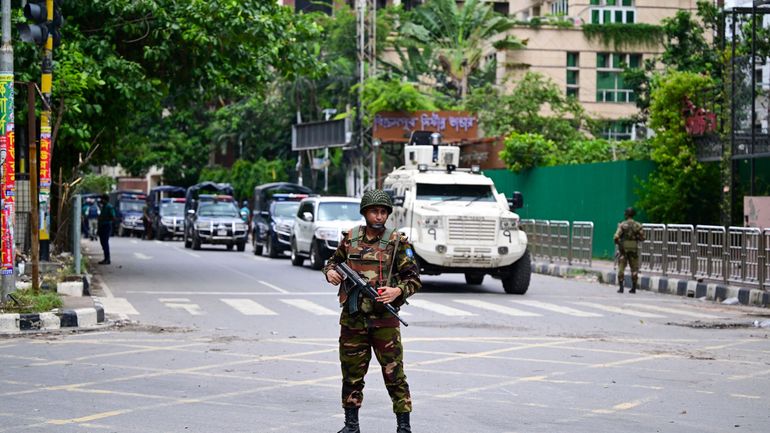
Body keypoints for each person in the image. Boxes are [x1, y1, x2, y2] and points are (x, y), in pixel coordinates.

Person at [323, 189, 420, 433]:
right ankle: (351, 425)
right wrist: (330, 273)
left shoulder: (398, 241)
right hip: (353, 320)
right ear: (365, 212)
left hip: (384, 321)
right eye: (374, 211)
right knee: (351, 373)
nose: (379, 216)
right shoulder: (350, 238)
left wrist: (397, 292)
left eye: (383, 212)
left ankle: (404, 427)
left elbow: (414, 279)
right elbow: (333, 261)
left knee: (394, 375)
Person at [614, 207, 645, 293]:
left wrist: (618, 242)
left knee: (621, 268)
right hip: (633, 248)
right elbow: (643, 238)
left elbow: (616, 237)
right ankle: (634, 288)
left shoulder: (622, 225)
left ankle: (621, 288)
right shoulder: (638, 225)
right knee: (634, 269)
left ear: (626, 214)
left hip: (623, 249)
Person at [97, 194, 117, 264]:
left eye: (102, 199)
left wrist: (106, 219)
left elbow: (113, 217)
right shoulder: (104, 207)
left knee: (105, 242)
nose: (100, 201)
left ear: (105, 200)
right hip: (102, 226)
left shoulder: (109, 207)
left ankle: (107, 259)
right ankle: (106, 258)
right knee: (102, 242)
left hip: (106, 226)